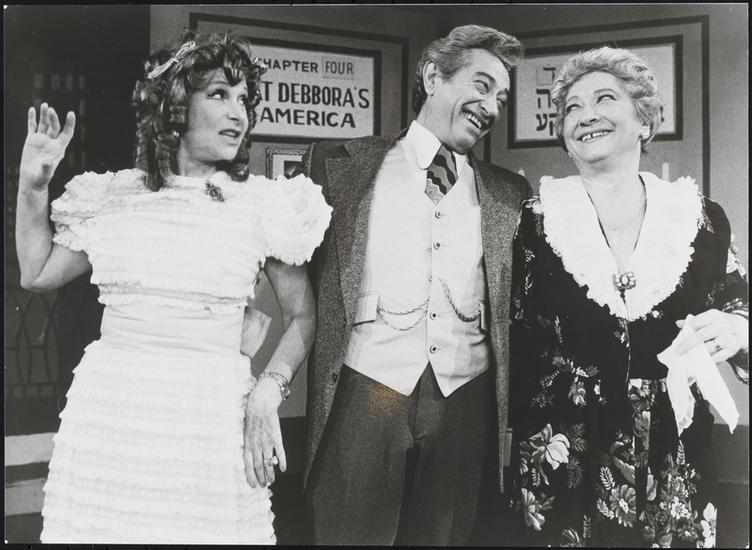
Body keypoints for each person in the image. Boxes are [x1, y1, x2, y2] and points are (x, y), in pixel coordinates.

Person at [15, 31, 331, 543]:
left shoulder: (263, 204)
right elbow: (36, 272)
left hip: (210, 414)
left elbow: (303, 316)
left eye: (244, 99)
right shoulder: (112, 196)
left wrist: (267, 392)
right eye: (219, 94)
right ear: (176, 107)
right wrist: (32, 187)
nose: (238, 113)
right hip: (114, 410)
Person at [509, 46, 748, 547]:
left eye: (604, 99)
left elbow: (739, 309)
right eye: (571, 108)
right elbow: (512, 337)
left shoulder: (700, 219)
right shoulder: (534, 221)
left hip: (676, 455)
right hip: (563, 458)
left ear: (644, 120)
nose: (585, 115)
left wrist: (736, 328)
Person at [301, 24, 530, 545]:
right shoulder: (337, 167)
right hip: (362, 393)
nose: (491, 107)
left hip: (464, 400)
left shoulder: (510, 193)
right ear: (432, 77)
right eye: (481, 85)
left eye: (501, 98)